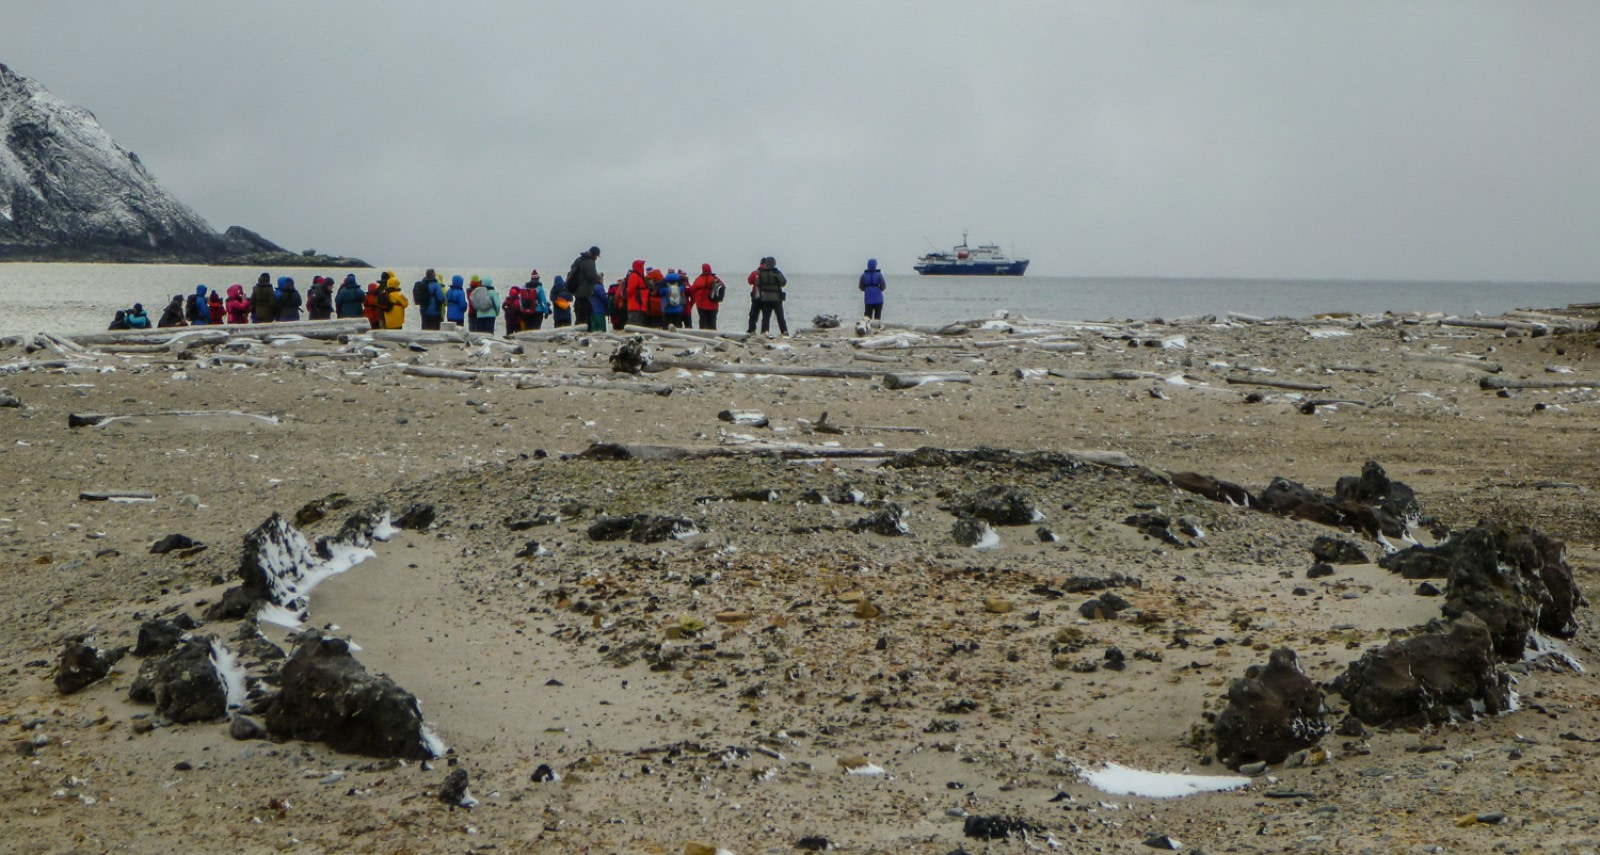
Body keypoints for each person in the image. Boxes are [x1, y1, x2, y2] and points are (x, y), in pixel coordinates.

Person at [567, 246, 602, 330]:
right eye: (597, 256)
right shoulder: (589, 262)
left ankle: (583, 329)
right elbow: (591, 276)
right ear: (594, 255)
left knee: (581, 312)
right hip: (584, 292)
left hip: (576, 290)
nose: (596, 258)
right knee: (584, 314)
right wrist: (599, 278)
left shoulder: (579, 259)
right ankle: (582, 330)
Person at [753, 256, 788, 336]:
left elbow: (758, 283)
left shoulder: (761, 273)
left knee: (766, 317)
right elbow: (783, 282)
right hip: (776, 298)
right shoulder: (776, 272)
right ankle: (784, 331)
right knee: (780, 316)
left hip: (765, 298)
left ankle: (764, 331)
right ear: (774, 263)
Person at [687, 263, 724, 330]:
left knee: (703, 321)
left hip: (701, 304)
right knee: (712, 322)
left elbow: (692, 290)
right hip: (713, 304)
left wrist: (692, 301)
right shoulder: (716, 279)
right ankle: (713, 335)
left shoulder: (699, 279)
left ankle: (703, 335)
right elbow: (722, 287)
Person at [624, 260, 649, 328]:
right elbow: (630, 290)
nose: (643, 268)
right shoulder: (634, 276)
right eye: (642, 266)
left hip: (640, 306)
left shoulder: (639, 276)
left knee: (639, 327)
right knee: (634, 326)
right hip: (635, 305)